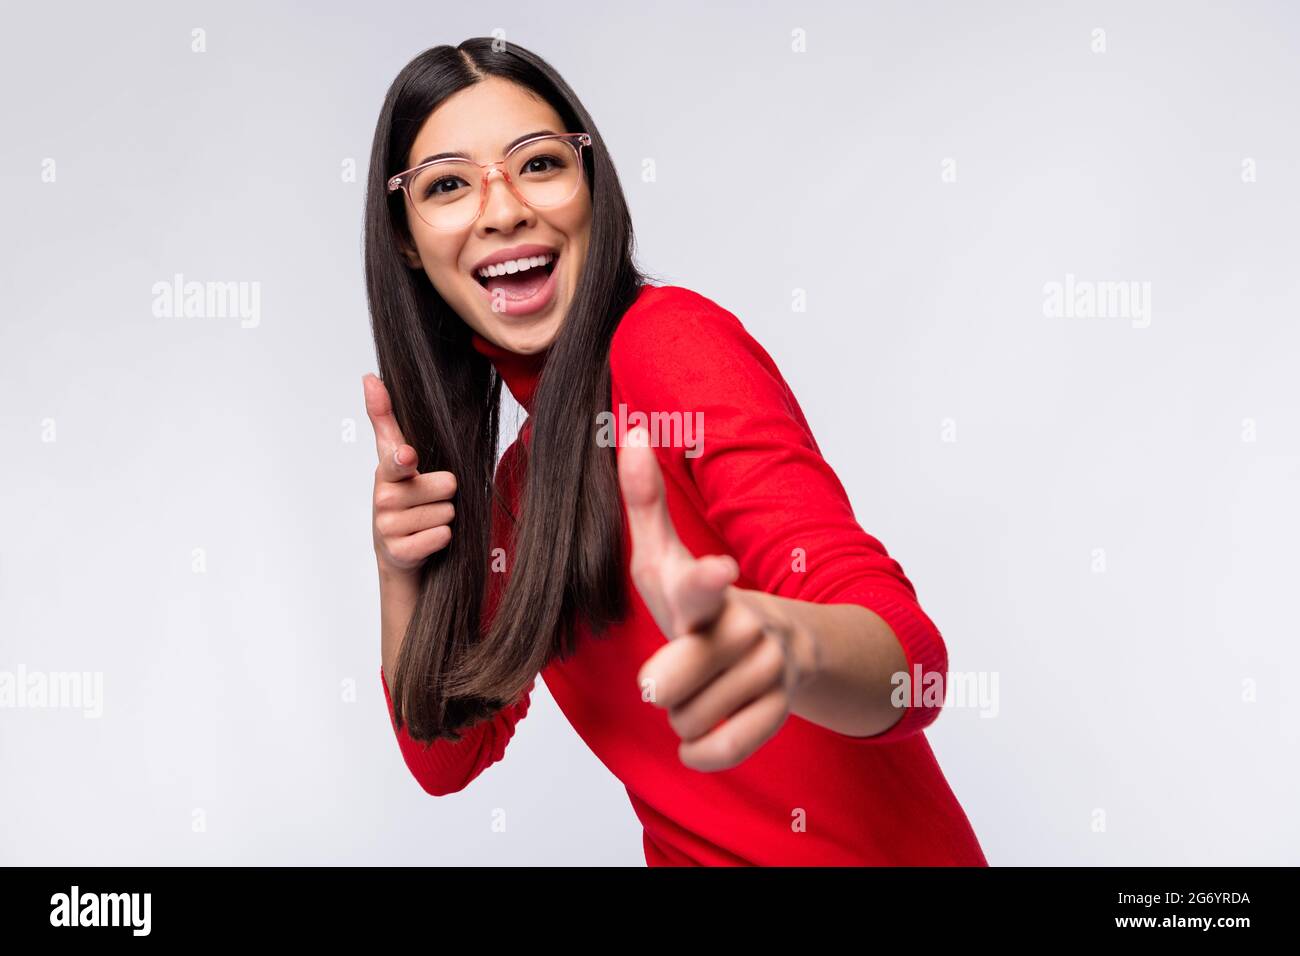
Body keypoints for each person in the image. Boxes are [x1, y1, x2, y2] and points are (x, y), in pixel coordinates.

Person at [361, 37, 987, 866]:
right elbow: (445, 758)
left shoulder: (668, 344)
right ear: (406, 240)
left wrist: (783, 645)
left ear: (594, 187)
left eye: (540, 164)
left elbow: (914, 668)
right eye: (446, 184)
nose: (503, 208)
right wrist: (400, 572)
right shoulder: (517, 494)